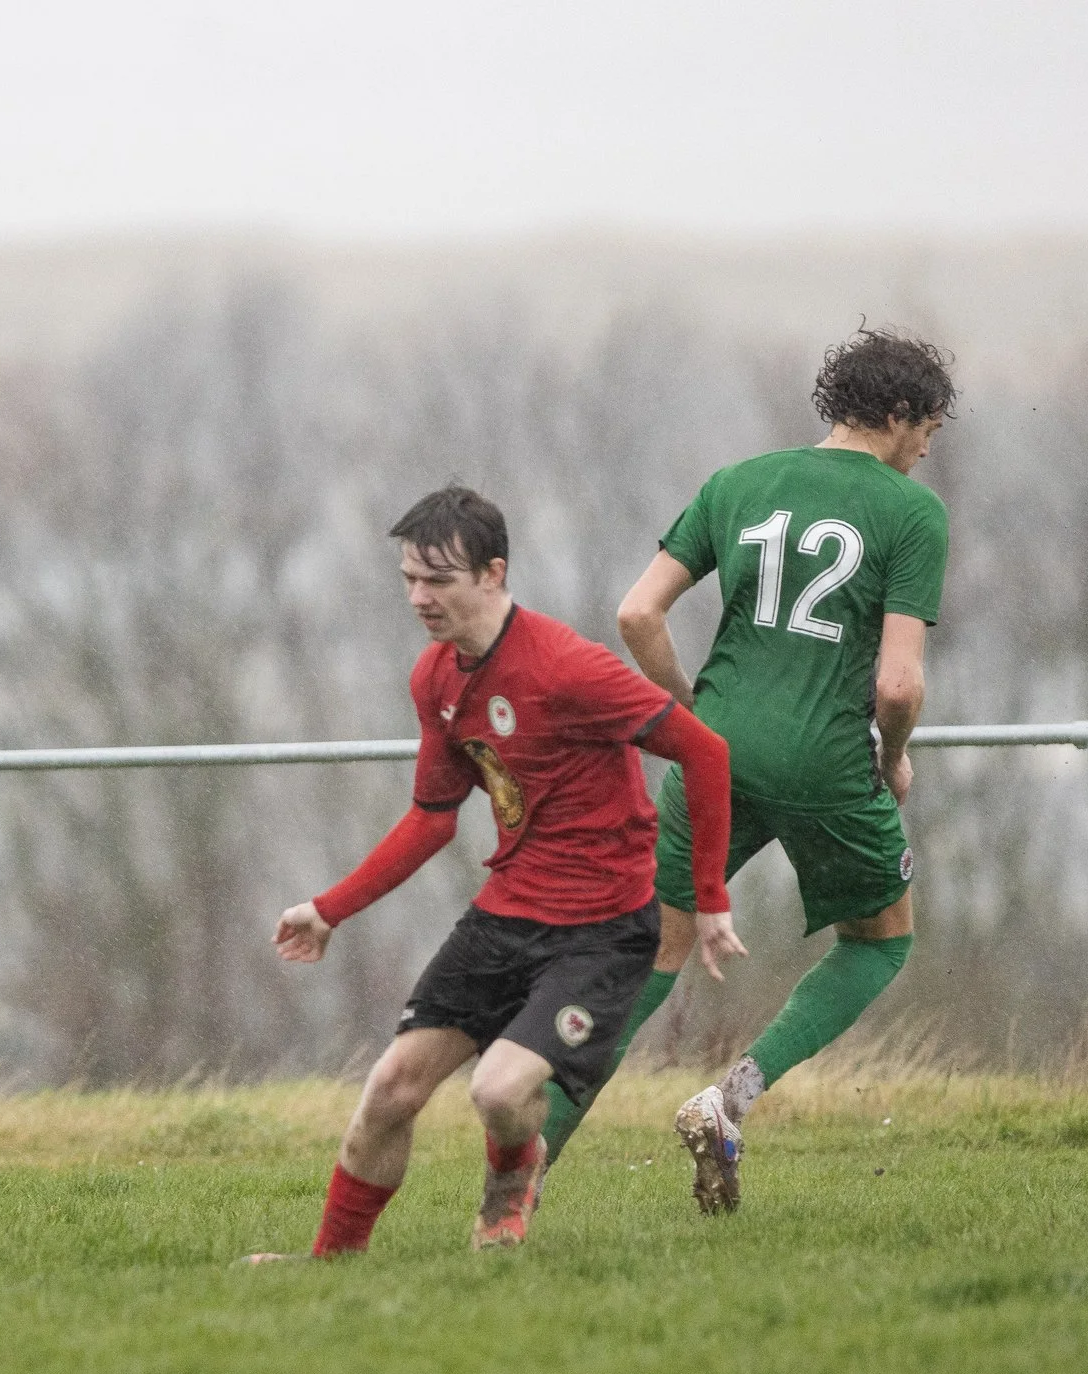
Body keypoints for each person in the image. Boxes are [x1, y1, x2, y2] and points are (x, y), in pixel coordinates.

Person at [255, 486, 741, 1258]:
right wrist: (330, 908)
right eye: (410, 578)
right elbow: (431, 818)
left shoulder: (567, 667)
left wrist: (710, 898)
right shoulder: (436, 680)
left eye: (438, 579)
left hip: (603, 932)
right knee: (390, 1091)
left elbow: (706, 753)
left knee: (498, 1090)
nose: (420, 597)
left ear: (493, 573)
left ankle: (511, 1180)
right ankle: (329, 1267)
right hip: (505, 917)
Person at [537, 327, 955, 1214]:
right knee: (881, 942)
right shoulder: (912, 513)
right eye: (930, 430)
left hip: (713, 750)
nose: (927, 449)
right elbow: (898, 680)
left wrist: (687, 717)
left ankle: (522, 1172)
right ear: (898, 414)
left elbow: (637, 613)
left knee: (650, 951)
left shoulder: (738, 483)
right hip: (824, 761)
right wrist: (896, 754)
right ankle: (731, 1098)